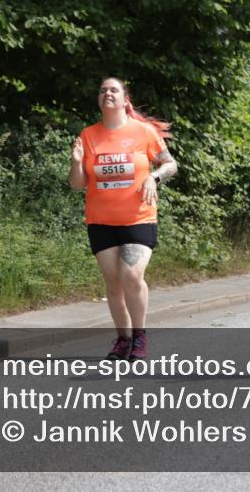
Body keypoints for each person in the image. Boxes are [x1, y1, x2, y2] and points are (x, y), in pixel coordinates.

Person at [68, 77, 177, 361]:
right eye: (102, 90)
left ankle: (140, 337)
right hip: (101, 221)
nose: (107, 93)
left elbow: (170, 163)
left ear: (124, 98)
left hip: (138, 218)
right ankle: (123, 339)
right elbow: (77, 184)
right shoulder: (89, 135)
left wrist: (153, 178)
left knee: (131, 276)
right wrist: (76, 162)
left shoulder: (143, 132)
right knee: (113, 280)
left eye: (113, 89)